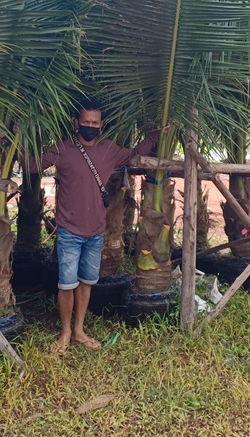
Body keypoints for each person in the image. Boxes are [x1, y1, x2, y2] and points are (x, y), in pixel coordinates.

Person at [26, 98, 164, 354]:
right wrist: (20, 138)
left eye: (94, 122)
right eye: (85, 121)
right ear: (77, 123)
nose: (90, 126)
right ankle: (65, 331)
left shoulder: (109, 150)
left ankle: (79, 330)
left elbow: (135, 153)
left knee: (87, 282)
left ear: (101, 125)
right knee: (66, 284)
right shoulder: (63, 150)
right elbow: (31, 164)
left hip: (96, 231)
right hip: (68, 231)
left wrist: (156, 135)